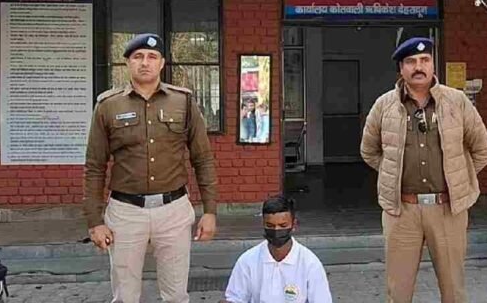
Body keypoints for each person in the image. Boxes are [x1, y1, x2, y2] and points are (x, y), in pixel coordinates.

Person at [83, 33, 218, 303]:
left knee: (176, 295)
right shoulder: (108, 105)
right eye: (138, 57)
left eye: (152, 57)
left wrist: (210, 211)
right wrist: (95, 221)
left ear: (162, 63)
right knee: (125, 296)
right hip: (125, 212)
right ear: (127, 63)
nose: (145, 62)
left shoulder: (183, 102)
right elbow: (95, 167)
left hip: (173, 211)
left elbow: (202, 159)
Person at [360, 37, 487, 303]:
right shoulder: (384, 105)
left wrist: (459, 176)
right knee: (398, 292)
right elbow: (369, 151)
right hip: (401, 211)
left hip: (448, 210)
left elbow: (482, 150)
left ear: (433, 64)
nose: (418, 67)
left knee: (453, 291)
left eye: (424, 60)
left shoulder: (457, 102)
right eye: (410, 61)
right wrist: (393, 173)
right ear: (401, 68)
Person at [221, 196, 332, 303]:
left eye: (283, 225)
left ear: (294, 225)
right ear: (263, 224)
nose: (276, 230)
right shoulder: (247, 261)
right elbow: (235, 298)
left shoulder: (310, 264)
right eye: (270, 226)